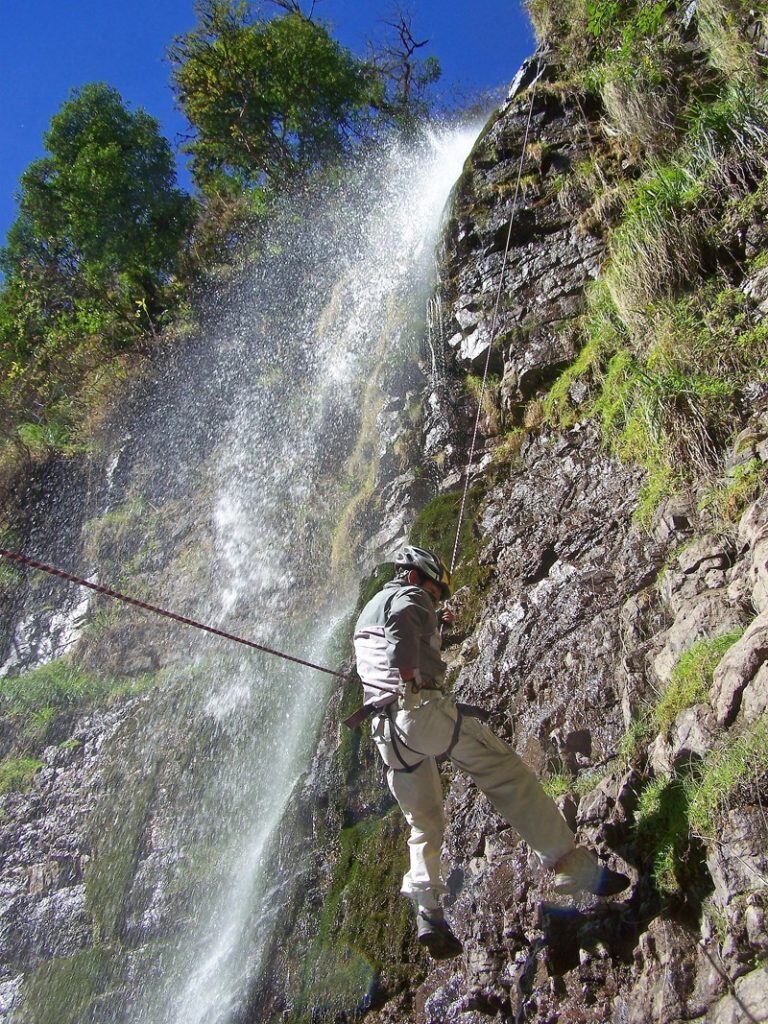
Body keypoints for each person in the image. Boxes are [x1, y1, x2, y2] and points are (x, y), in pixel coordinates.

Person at [351, 545, 630, 960]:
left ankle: (428, 911)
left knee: (423, 820)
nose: (435, 600)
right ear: (413, 577)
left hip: (384, 733)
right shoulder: (407, 598)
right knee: (505, 774)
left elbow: (399, 632)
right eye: (433, 591)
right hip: (418, 712)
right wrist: (409, 673)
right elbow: (402, 623)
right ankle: (574, 868)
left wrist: (431, 628)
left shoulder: (367, 611)